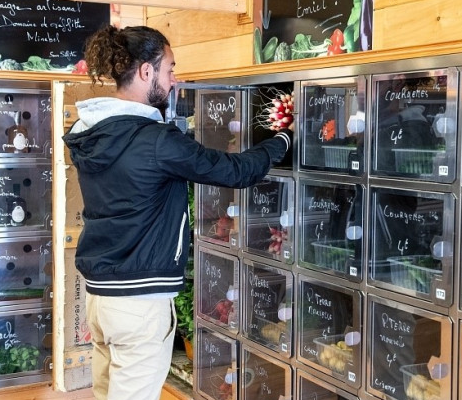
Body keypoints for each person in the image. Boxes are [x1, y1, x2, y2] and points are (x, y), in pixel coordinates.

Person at [62, 25, 292, 400]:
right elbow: (236, 171)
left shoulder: (92, 132)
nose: (174, 80)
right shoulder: (155, 141)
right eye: (169, 69)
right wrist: (281, 139)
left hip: (100, 298)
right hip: (139, 302)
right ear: (145, 71)